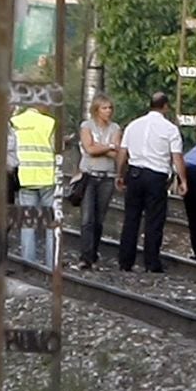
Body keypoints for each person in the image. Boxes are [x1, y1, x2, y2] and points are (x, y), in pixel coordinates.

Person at [116, 92, 188, 273]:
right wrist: (183, 180)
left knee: (131, 218)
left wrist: (119, 174)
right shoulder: (170, 129)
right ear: (165, 107)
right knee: (154, 221)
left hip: (134, 174)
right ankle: (151, 262)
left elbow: (123, 152)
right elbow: (177, 157)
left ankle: (125, 262)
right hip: (156, 178)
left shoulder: (133, 126)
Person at [78, 94, 122, 269]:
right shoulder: (86, 126)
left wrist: (102, 148)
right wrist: (109, 147)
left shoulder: (115, 128)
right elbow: (89, 148)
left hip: (107, 177)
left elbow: (116, 152)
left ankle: (94, 254)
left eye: (110, 108)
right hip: (88, 175)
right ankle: (85, 257)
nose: (108, 111)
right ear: (96, 110)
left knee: (98, 219)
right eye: (104, 108)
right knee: (87, 218)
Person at [12, 103, 58, 267]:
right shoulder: (49, 122)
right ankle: (51, 265)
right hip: (46, 178)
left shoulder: (15, 121)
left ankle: (28, 264)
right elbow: (56, 149)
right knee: (51, 225)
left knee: (27, 224)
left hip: (25, 178)